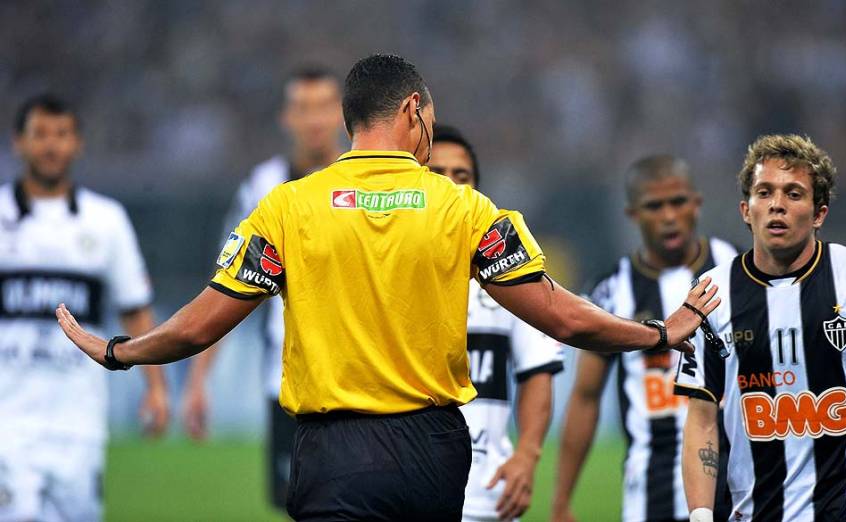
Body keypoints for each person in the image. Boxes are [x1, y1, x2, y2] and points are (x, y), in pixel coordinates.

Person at [56, 54, 718, 521]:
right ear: (412, 110)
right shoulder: (466, 209)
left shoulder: (287, 208)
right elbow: (564, 319)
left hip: (331, 450)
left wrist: (118, 351)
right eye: (429, 116)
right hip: (430, 449)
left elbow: (198, 325)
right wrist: (659, 331)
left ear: (347, 121)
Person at [674, 134, 846, 522]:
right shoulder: (712, 293)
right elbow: (702, 415)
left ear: (819, 212)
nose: (777, 205)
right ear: (746, 209)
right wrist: (701, 517)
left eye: (793, 193)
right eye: (764, 192)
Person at [180, 66, 343, 510]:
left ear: (342, 116)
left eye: (323, 107)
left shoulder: (365, 180)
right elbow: (228, 284)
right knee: (300, 505)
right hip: (287, 381)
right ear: (286, 117)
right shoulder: (261, 186)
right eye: (303, 108)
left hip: (360, 375)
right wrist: (198, 380)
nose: (313, 119)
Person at [0, 94, 169, 522]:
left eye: (61, 134)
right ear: (18, 142)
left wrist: (155, 388)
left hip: (78, 425)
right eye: (40, 134)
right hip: (8, 425)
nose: (51, 146)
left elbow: (135, 308)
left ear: (77, 144)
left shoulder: (106, 220)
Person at [552, 155, 738, 522]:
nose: (669, 215)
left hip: (739, 485)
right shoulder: (611, 292)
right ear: (633, 214)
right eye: (655, 206)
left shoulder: (734, 267)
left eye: (678, 202)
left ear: (696, 204)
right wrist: (561, 498)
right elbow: (586, 397)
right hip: (651, 494)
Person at [430, 125, 565, 522]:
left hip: (489, 495)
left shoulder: (508, 273)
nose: (452, 186)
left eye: (462, 176)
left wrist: (527, 454)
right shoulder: (386, 268)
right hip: (406, 488)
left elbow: (537, 370)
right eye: (437, 174)